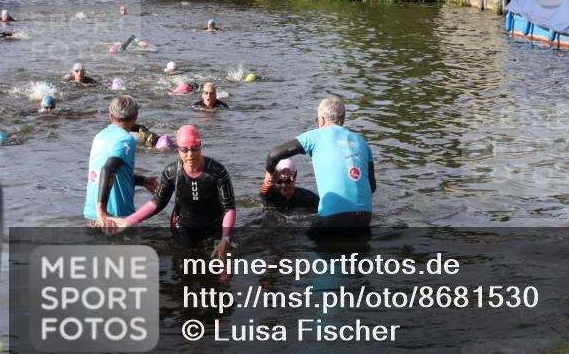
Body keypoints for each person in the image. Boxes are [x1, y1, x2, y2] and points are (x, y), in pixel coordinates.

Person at [112, 125, 235, 260]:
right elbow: (157, 203)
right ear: (177, 149)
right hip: (183, 225)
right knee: (185, 265)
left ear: (200, 146)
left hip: (214, 224)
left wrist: (226, 238)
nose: (190, 154)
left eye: (194, 148)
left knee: (222, 273)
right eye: (185, 149)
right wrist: (129, 221)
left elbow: (229, 208)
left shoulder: (217, 171)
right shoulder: (171, 172)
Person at [263, 96, 375, 232]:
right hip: (365, 216)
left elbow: (273, 156)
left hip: (333, 215)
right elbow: (372, 187)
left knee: (307, 247)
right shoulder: (362, 142)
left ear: (321, 120)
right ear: (343, 120)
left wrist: (270, 173)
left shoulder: (315, 136)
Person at [83, 95, 158, 225]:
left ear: (110, 116)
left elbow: (110, 172)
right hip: (114, 217)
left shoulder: (99, 136)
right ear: (135, 117)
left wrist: (142, 181)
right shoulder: (126, 140)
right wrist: (102, 210)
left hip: (91, 215)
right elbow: (108, 169)